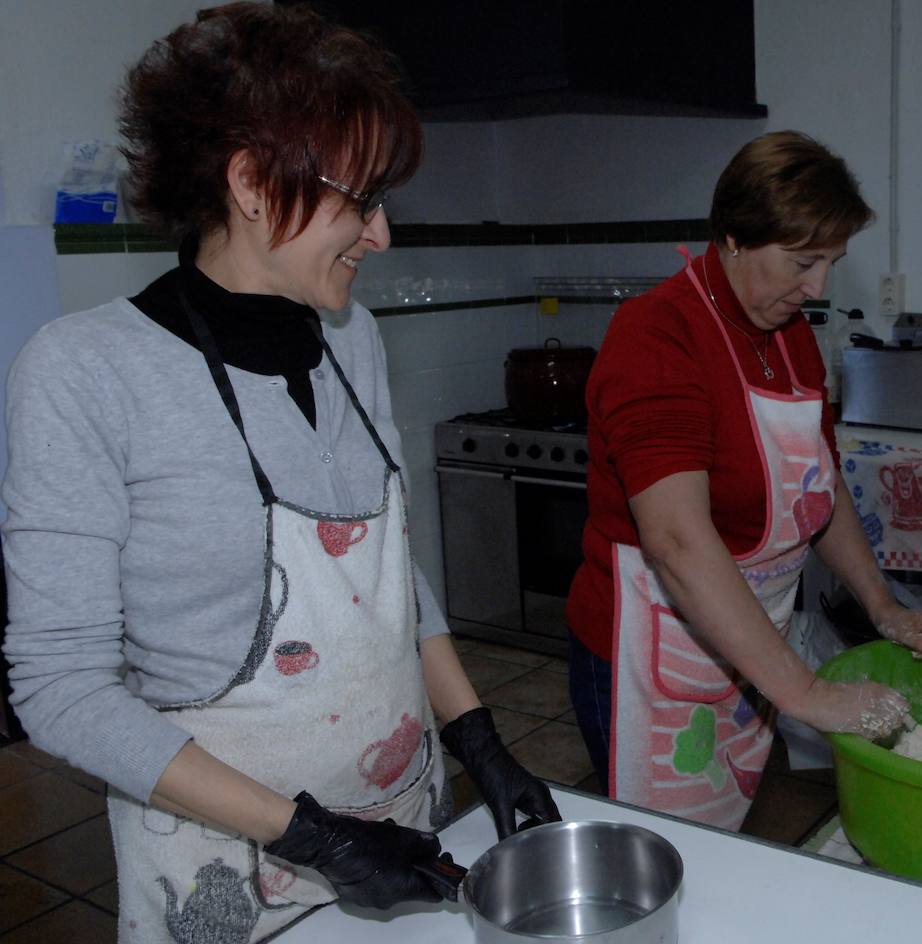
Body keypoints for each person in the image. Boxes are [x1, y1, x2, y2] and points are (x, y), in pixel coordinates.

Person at [1, 5, 557, 941]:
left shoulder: (357, 342)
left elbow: (386, 577)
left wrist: (476, 739)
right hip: (224, 859)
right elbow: (61, 688)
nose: (381, 236)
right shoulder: (85, 371)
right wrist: (314, 839)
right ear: (254, 184)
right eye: (361, 200)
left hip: (397, 828)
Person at [564, 130, 922, 830]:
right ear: (736, 237)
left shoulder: (789, 334)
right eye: (803, 262)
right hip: (651, 657)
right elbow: (677, 538)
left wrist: (880, 604)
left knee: (723, 838)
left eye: (832, 262)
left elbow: (818, 491)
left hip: (747, 653)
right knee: (662, 852)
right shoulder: (657, 335)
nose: (818, 287)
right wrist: (804, 690)